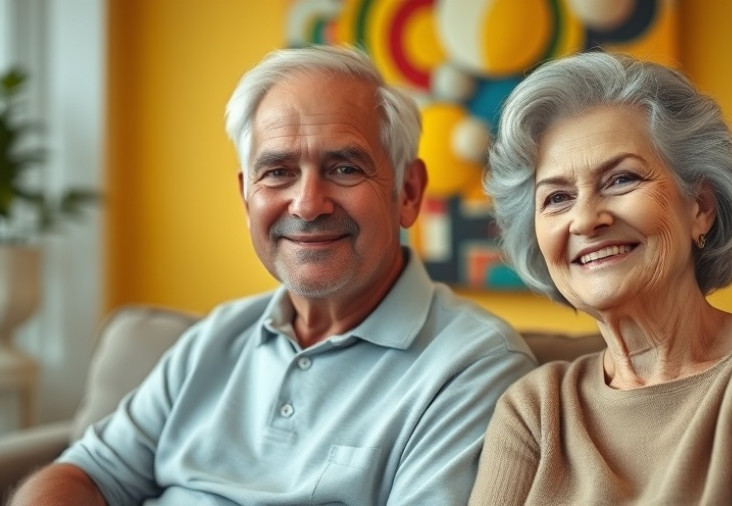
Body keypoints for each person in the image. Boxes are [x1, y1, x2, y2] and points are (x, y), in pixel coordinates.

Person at [11, 45, 536, 505]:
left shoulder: (473, 366)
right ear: (247, 195)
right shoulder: (215, 338)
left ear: (408, 193)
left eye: (344, 168)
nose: (307, 204)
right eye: (278, 171)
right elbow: (86, 473)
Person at [468, 50, 732, 505]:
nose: (586, 220)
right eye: (557, 198)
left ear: (700, 208)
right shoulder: (534, 409)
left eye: (621, 180)